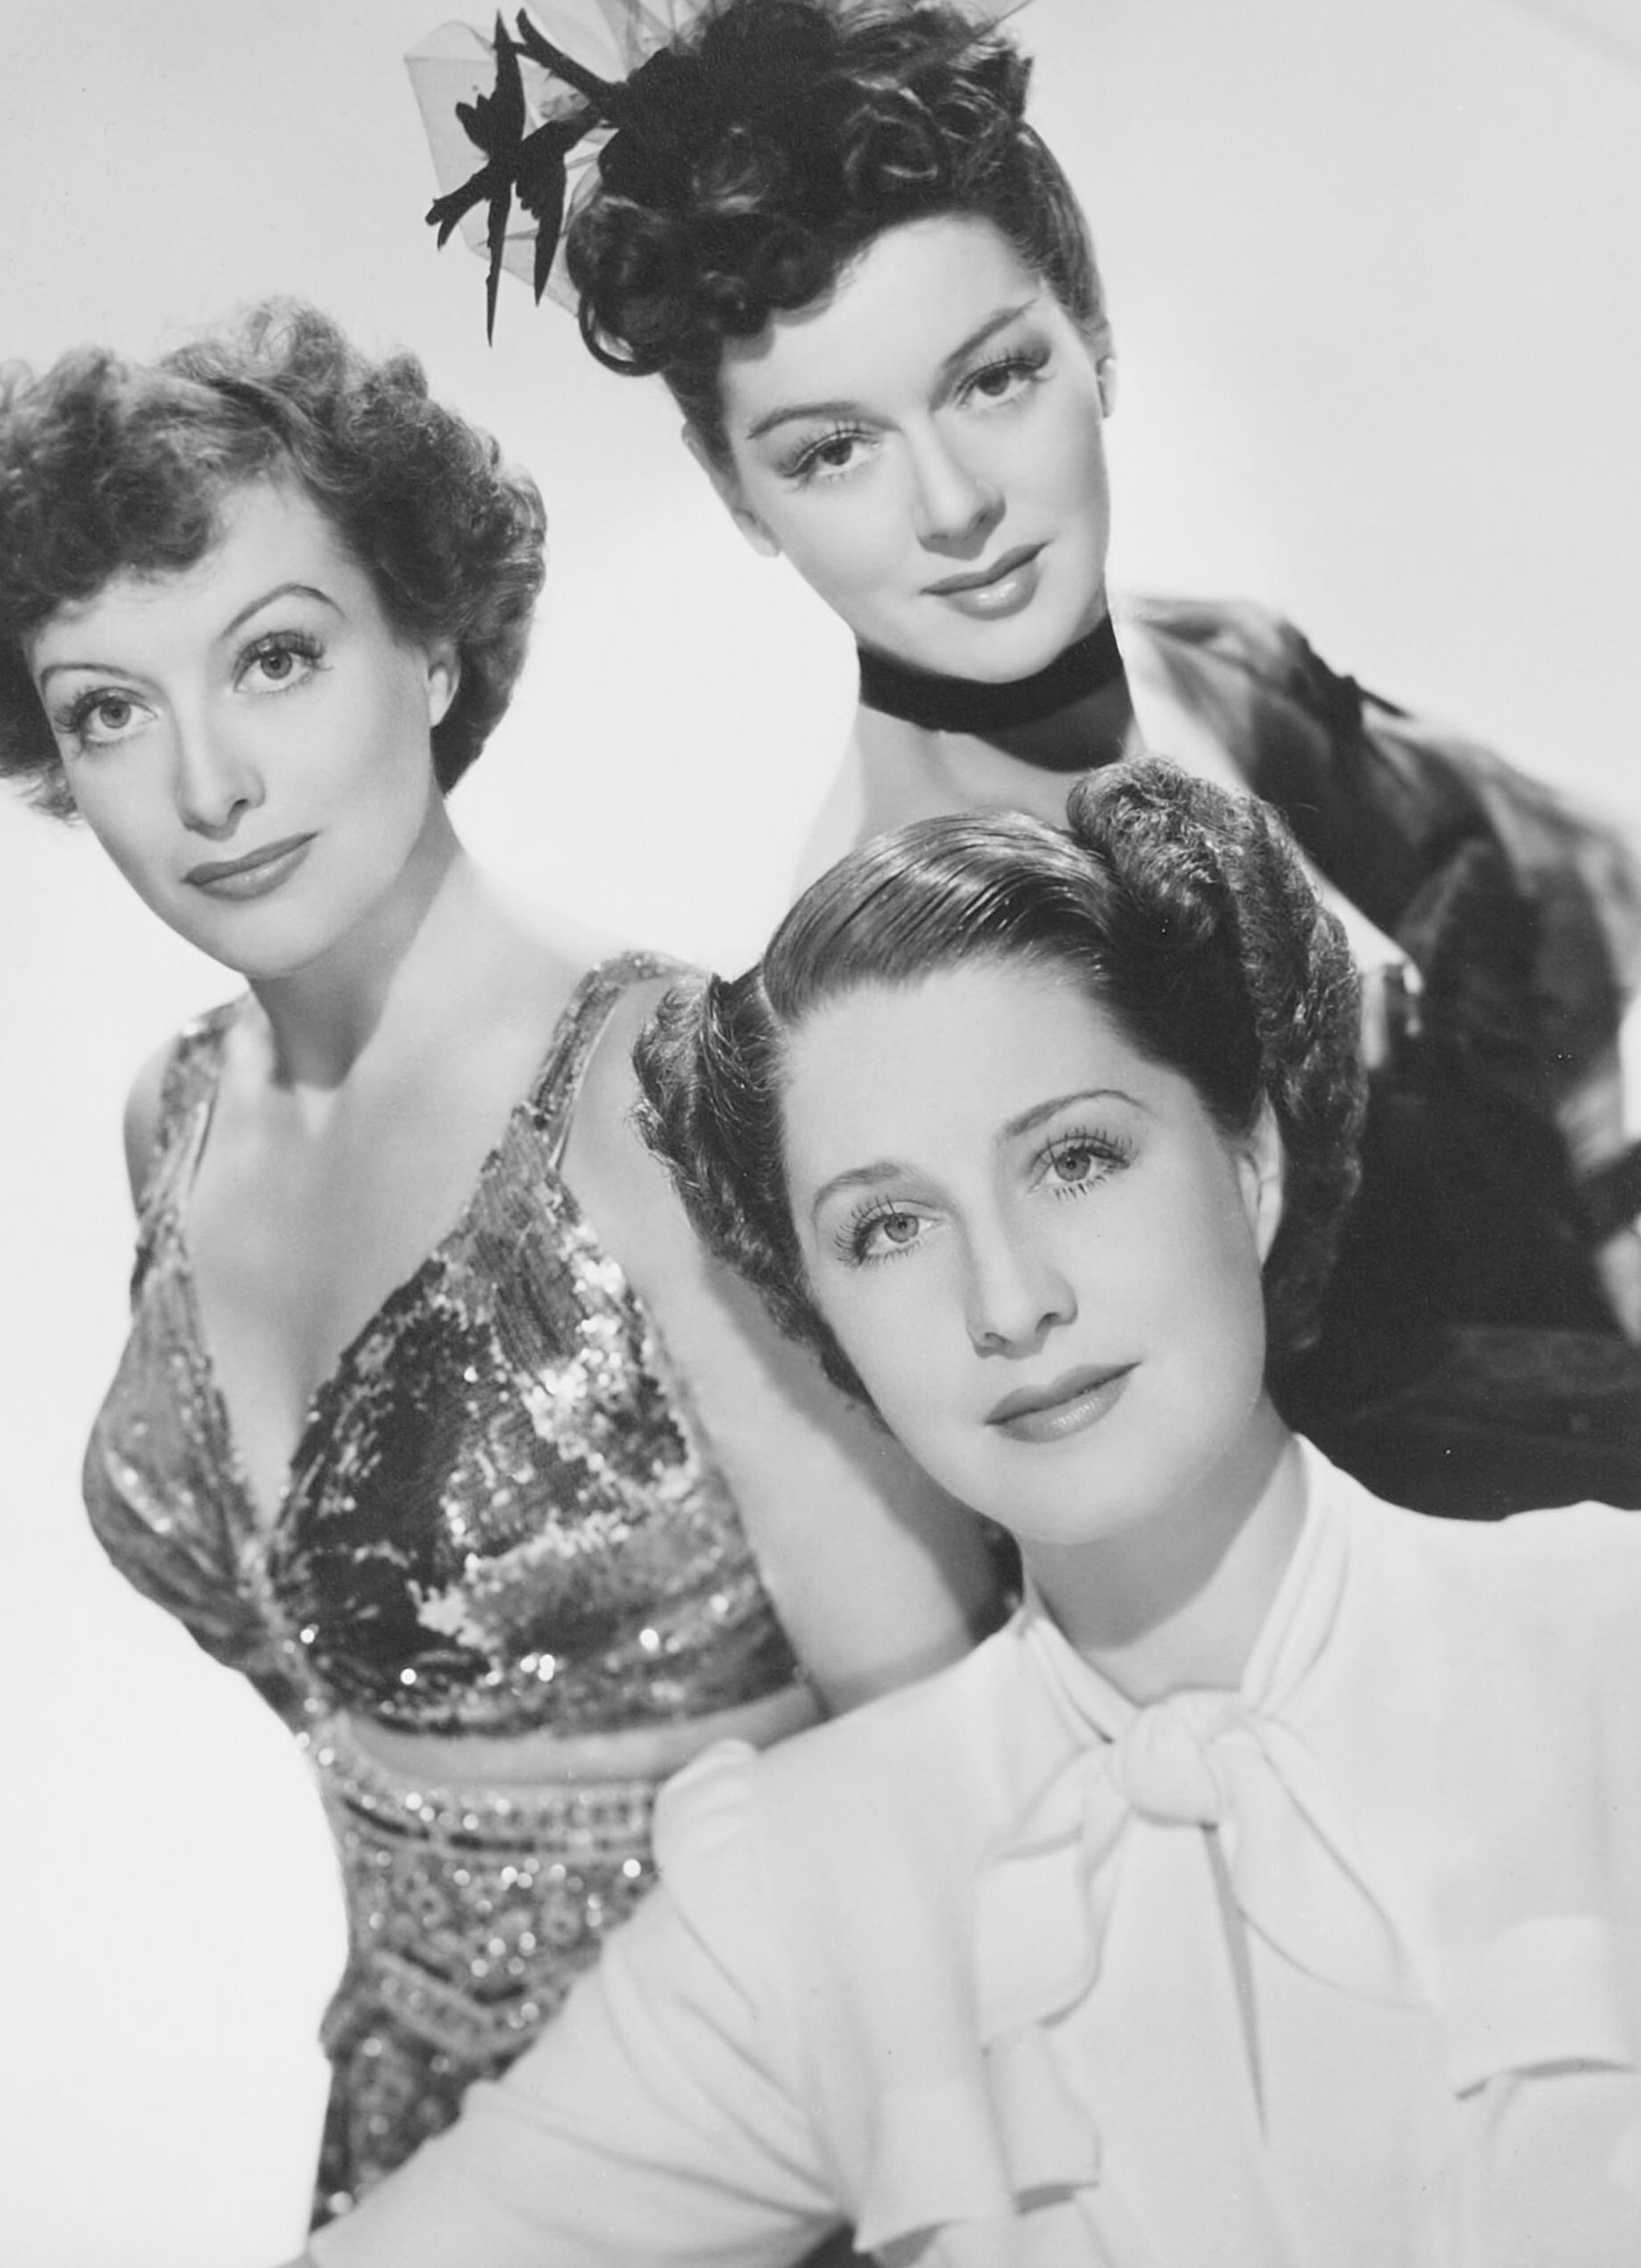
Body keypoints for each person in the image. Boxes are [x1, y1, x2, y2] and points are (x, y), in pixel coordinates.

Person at [0, 299, 996, 2226]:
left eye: (276, 657)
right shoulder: (178, 1118)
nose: (208, 784)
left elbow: (940, 1762)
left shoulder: (657, 1094)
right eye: (108, 710)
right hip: (398, 2115)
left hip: (757, 2150)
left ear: (433, 645)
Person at [413, 0, 1641, 1512]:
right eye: (830, 451)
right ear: (737, 494)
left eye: (991, 379)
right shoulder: (897, 958)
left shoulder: (1223, 667)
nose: (952, 508)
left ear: (1094, 333)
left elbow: (1587, 920)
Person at [289, 756, 1641, 2268]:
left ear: (1249, 1171)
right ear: (821, 1319)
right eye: (887, 1228)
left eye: (1074, 1159)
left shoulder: (1610, 1655)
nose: (1006, 1299)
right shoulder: (806, 1885)